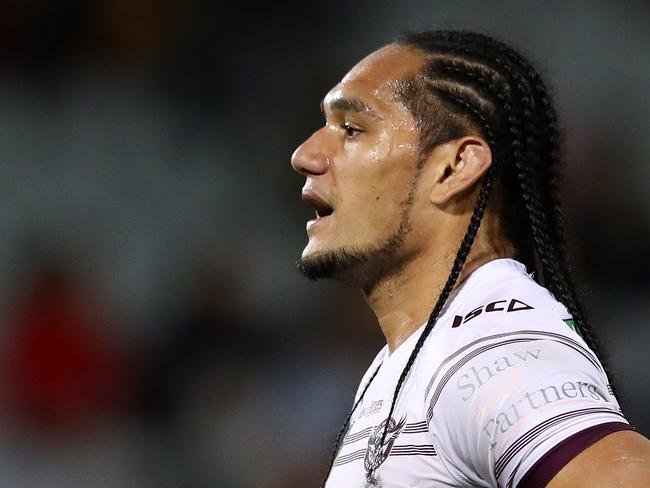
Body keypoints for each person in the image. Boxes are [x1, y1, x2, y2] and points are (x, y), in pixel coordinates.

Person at [290, 30, 650, 487]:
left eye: (353, 129)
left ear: (454, 168)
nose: (306, 156)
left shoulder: (493, 350)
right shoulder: (410, 360)